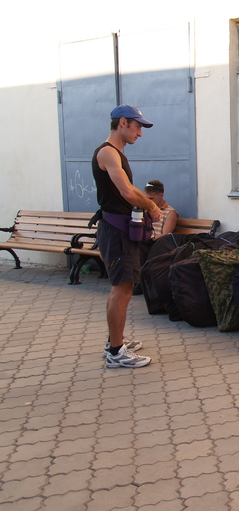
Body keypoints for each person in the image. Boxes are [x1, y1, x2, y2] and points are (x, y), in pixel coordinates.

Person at [93, 104, 162, 369]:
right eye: (137, 127)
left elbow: (129, 189)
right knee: (122, 288)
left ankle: (116, 341)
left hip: (120, 230)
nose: (140, 133)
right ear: (122, 122)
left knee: (123, 287)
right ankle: (115, 352)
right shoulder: (108, 153)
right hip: (115, 231)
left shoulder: (117, 153)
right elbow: (127, 191)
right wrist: (152, 206)